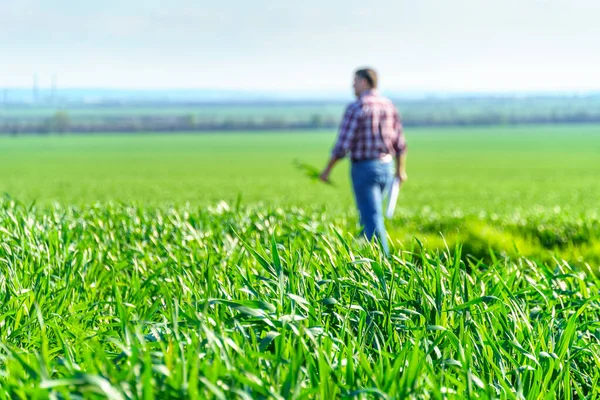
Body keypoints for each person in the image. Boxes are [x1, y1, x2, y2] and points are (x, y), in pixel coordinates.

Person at [320, 67, 407, 255]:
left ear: (365, 82)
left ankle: (382, 267)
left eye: (355, 81)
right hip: (387, 167)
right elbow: (400, 142)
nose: (352, 85)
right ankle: (366, 254)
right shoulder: (388, 105)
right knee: (370, 215)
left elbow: (343, 145)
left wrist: (327, 170)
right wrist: (401, 170)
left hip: (365, 169)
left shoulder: (357, 107)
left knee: (372, 218)